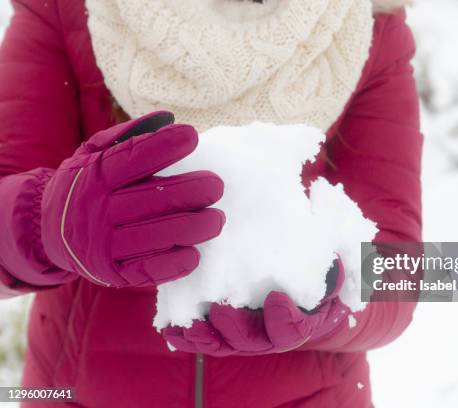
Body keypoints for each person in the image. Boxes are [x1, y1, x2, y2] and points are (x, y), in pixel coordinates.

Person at [0, 0, 422, 406]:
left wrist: (331, 298)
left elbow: (404, 270)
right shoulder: (68, 8)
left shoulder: (366, 25)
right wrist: (49, 221)